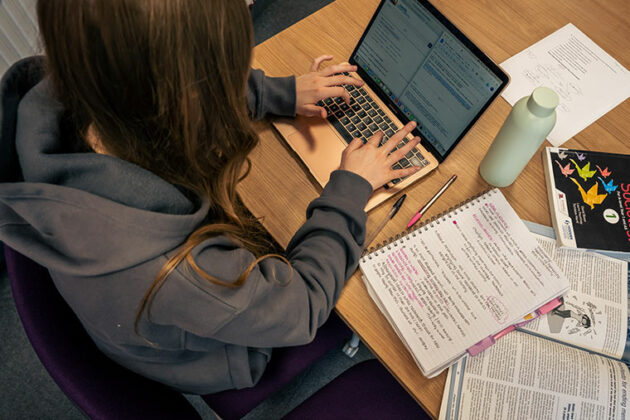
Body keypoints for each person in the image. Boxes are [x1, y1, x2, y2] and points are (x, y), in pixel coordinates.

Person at [0, 0, 421, 394]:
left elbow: (155, 83)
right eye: (229, 74)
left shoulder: (67, 94)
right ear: (190, 98)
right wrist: (350, 189)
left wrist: (280, 93)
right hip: (220, 352)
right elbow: (301, 307)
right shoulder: (180, 273)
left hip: (144, 310)